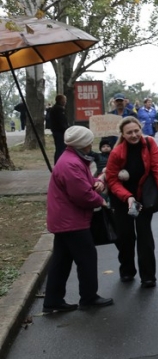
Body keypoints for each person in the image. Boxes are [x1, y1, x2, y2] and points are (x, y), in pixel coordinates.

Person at [43, 126, 114, 312]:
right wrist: (101, 201)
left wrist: (96, 182)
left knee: (61, 260)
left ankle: (53, 300)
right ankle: (89, 297)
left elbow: (84, 181)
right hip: (71, 221)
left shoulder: (71, 159)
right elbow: (82, 195)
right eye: (89, 141)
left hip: (64, 219)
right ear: (83, 144)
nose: (91, 144)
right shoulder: (71, 163)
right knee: (87, 258)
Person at [103, 116, 158, 287]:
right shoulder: (117, 152)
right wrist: (127, 197)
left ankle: (148, 276)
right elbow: (111, 180)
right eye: (129, 132)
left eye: (136, 131)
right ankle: (127, 270)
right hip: (123, 200)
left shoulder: (149, 143)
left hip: (143, 198)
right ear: (123, 134)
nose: (134, 135)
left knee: (145, 237)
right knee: (125, 236)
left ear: (141, 129)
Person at [48, 94, 69, 164]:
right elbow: (62, 121)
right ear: (61, 100)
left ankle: (58, 162)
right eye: (64, 100)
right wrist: (66, 129)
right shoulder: (59, 109)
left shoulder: (54, 108)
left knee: (59, 148)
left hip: (56, 131)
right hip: (60, 132)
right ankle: (60, 163)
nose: (65, 101)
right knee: (61, 148)